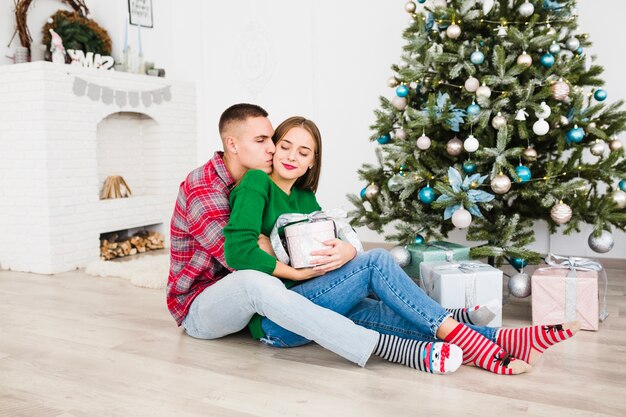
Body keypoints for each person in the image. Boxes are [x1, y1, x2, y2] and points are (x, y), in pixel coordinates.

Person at [223, 115, 581, 375]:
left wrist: (348, 252)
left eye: (304, 152)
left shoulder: (306, 199)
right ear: (273, 149)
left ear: (313, 161)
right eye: (284, 146)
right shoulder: (257, 183)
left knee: (376, 310)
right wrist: (296, 272)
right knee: (377, 262)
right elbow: (238, 251)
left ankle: (496, 340)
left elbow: (338, 248)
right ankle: (471, 339)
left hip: (317, 304)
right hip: (278, 321)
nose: (291, 156)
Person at [167, 103, 461, 374]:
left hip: (256, 305)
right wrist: (297, 266)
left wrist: (342, 255)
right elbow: (240, 257)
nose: (272, 149)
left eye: (272, 140)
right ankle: (386, 346)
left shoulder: (264, 181)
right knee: (257, 280)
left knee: (356, 292)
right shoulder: (204, 187)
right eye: (263, 141)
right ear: (232, 144)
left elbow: (316, 237)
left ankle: (462, 330)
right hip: (201, 304)